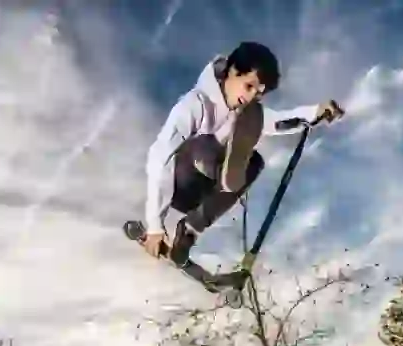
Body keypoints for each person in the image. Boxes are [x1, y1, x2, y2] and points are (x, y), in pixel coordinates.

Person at [138, 41, 344, 265]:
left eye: (258, 93)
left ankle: (190, 229)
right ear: (232, 71)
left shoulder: (246, 112)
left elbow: (277, 122)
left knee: (254, 161)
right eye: (249, 86)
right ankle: (215, 169)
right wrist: (155, 224)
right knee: (205, 143)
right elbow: (161, 156)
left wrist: (315, 112)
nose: (251, 97)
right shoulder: (194, 104)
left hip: (202, 194)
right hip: (178, 183)